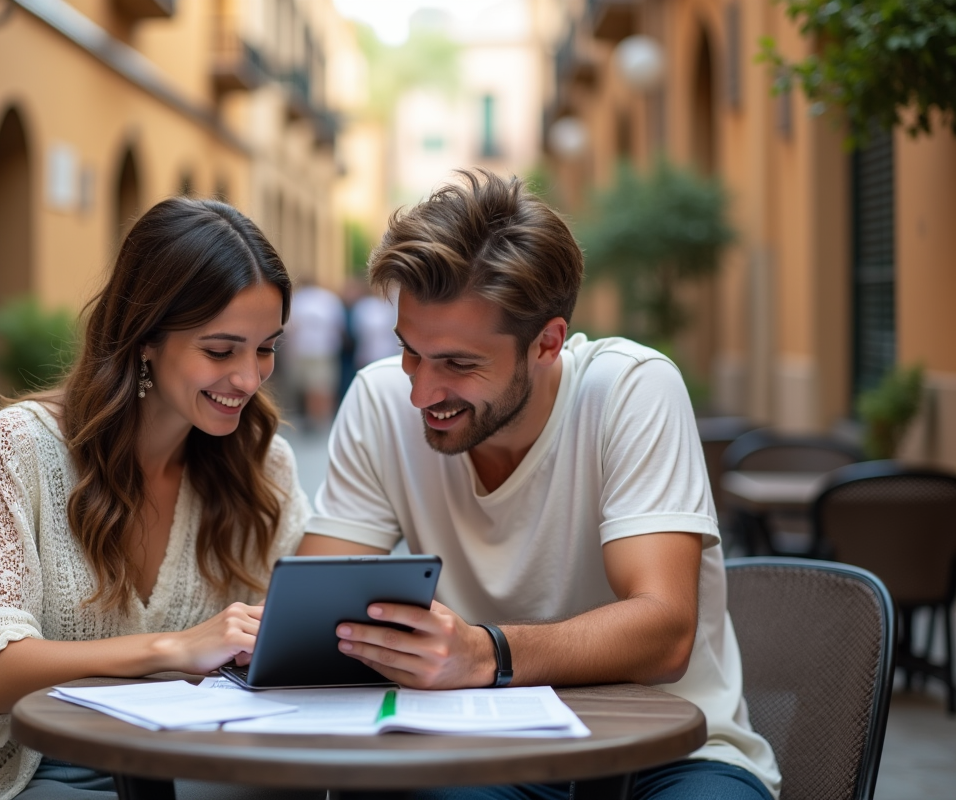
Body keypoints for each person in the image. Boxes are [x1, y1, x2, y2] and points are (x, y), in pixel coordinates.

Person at [297, 171, 781, 800]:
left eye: (459, 365)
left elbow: (665, 634)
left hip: (671, 754)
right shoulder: (380, 397)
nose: (420, 392)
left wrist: (484, 653)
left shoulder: (630, 388)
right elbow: (310, 619)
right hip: (482, 751)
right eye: (412, 352)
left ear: (547, 343)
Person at [0, 198, 311, 800]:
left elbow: (289, 639)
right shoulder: (21, 447)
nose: (249, 378)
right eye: (220, 350)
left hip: (209, 763)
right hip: (51, 769)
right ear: (146, 339)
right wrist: (174, 649)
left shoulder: (264, 466)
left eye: (266, 347)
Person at [283, 280, 346, 430]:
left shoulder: (299, 299)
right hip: (323, 349)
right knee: (322, 386)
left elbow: (290, 328)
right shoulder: (329, 299)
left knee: (311, 386)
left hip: (306, 349)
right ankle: (322, 418)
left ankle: (315, 418)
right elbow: (339, 327)